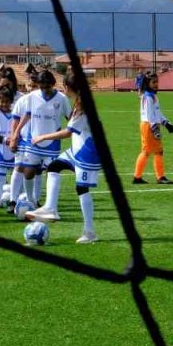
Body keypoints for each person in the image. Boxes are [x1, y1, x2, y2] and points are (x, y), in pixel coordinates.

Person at [27, 69, 100, 243]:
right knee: (54, 167)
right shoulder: (79, 102)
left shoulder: (83, 106)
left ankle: (89, 232)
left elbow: (68, 132)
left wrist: (42, 137)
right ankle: (51, 208)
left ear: (67, 87)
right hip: (79, 148)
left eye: (64, 86)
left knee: (82, 189)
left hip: (87, 152)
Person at [8, 69, 71, 211]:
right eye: (41, 87)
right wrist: (16, 134)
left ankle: (50, 204)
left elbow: (70, 119)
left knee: (52, 173)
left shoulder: (61, 99)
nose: (44, 90)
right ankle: (31, 202)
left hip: (52, 144)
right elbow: (27, 115)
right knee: (28, 171)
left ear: (53, 84)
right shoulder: (33, 96)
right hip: (33, 141)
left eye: (47, 87)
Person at [132, 71, 173, 184]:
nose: (156, 84)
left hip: (152, 125)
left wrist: (166, 123)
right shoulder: (148, 97)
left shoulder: (153, 96)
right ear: (148, 83)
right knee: (146, 151)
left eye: (157, 82)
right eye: (153, 82)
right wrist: (154, 128)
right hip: (148, 126)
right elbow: (150, 115)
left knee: (159, 151)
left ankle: (158, 177)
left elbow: (157, 113)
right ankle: (138, 177)